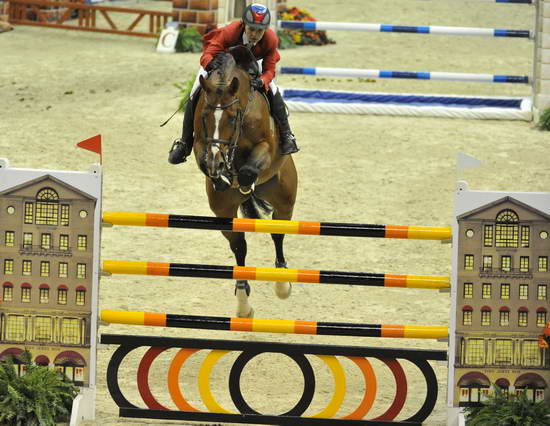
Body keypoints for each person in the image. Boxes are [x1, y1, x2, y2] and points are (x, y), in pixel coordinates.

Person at [168, 3, 299, 165]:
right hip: (224, 61)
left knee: (273, 89)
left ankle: (287, 135)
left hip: (253, 64)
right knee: (196, 89)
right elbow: (207, 54)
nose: (255, 35)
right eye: (251, 29)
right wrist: (211, 65)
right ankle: (185, 142)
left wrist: (263, 80)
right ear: (243, 25)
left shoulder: (270, 39)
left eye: (260, 30)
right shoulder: (231, 31)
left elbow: (270, 69)